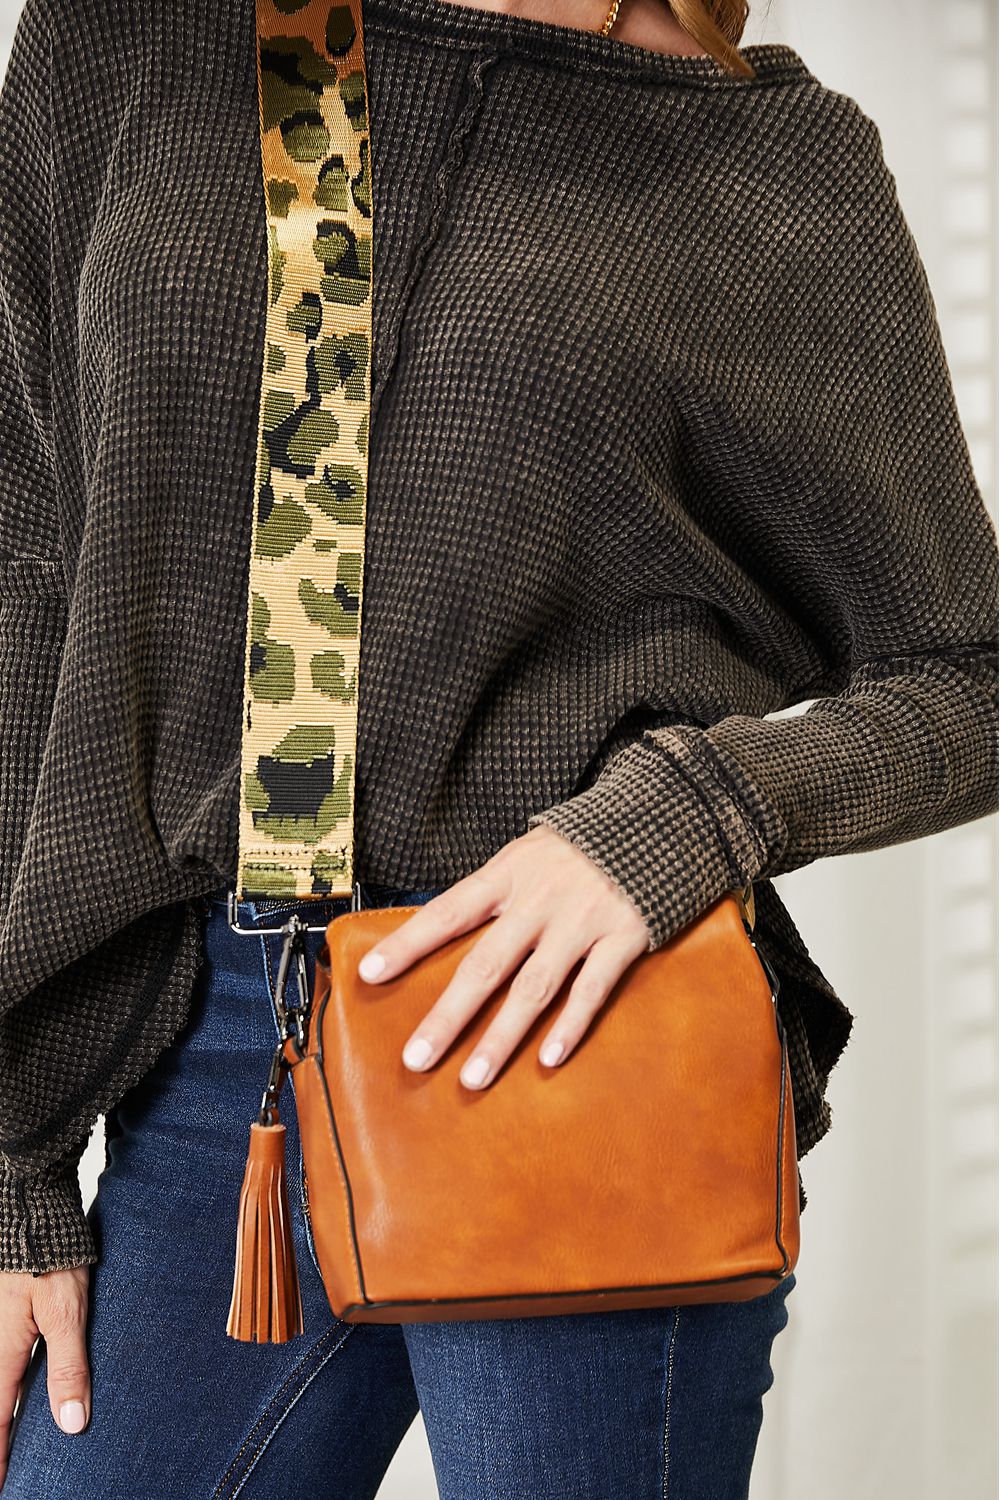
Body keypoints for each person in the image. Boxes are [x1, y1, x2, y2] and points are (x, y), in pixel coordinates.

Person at [0, 0, 996, 1494]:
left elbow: (970, 675)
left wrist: (682, 816)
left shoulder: (757, 154)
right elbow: (27, 560)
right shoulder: (132, 33)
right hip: (208, 1050)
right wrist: (14, 1168)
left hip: (585, 1039)